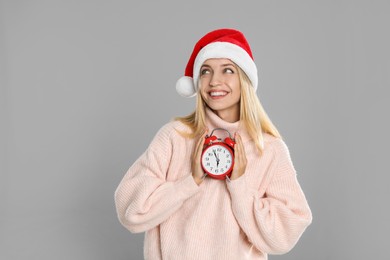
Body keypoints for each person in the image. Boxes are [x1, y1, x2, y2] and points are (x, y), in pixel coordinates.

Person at [115, 28, 312, 260]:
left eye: (227, 70)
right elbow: (130, 210)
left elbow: (283, 236)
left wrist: (239, 185)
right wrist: (189, 182)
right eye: (205, 71)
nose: (214, 81)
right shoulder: (175, 136)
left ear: (244, 80)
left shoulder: (267, 149)